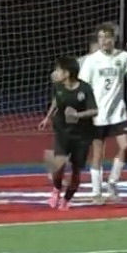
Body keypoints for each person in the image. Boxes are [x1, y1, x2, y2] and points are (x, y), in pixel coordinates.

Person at [78, 23, 127, 203]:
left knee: (126, 148)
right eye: (101, 38)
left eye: (107, 37)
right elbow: (82, 87)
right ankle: (96, 193)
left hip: (118, 113)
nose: (104, 41)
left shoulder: (123, 57)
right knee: (98, 154)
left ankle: (113, 182)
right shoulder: (92, 60)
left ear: (113, 38)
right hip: (97, 114)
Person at [43, 56, 98, 210]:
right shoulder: (58, 86)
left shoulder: (85, 89)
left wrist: (78, 115)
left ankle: (66, 199)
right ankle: (56, 189)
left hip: (82, 136)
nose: (56, 72)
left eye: (59, 70)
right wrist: (47, 117)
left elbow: (95, 110)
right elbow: (56, 100)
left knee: (76, 170)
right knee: (56, 164)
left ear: (67, 73)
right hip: (62, 132)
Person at [44, 36, 100, 179]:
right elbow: (56, 87)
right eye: (96, 47)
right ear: (91, 47)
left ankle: (91, 179)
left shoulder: (105, 65)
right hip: (65, 120)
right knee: (60, 155)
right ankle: (56, 171)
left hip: (84, 118)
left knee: (80, 161)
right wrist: (47, 117)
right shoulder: (81, 62)